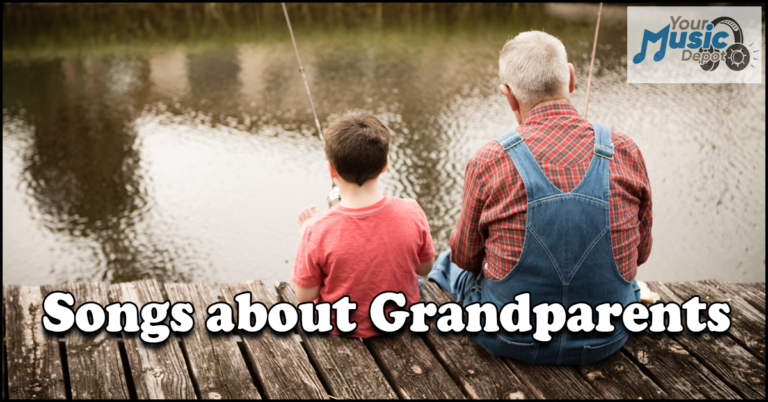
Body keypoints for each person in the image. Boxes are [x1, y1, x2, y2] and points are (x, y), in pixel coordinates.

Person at [428, 31, 653, 365]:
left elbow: (466, 257)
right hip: (608, 336)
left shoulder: (489, 159)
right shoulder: (625, 150)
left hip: (506, 336)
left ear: (509, 96)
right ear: (571, 78)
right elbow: (641, 253)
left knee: (449, 261)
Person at [292, 110, 435, 338]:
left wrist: (306, 236)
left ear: (331, 170)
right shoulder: (412, 209)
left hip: (341, 327)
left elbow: (305, 296)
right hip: (400, 319)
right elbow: (425, 268)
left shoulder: (315, 229)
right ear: (385, 164)